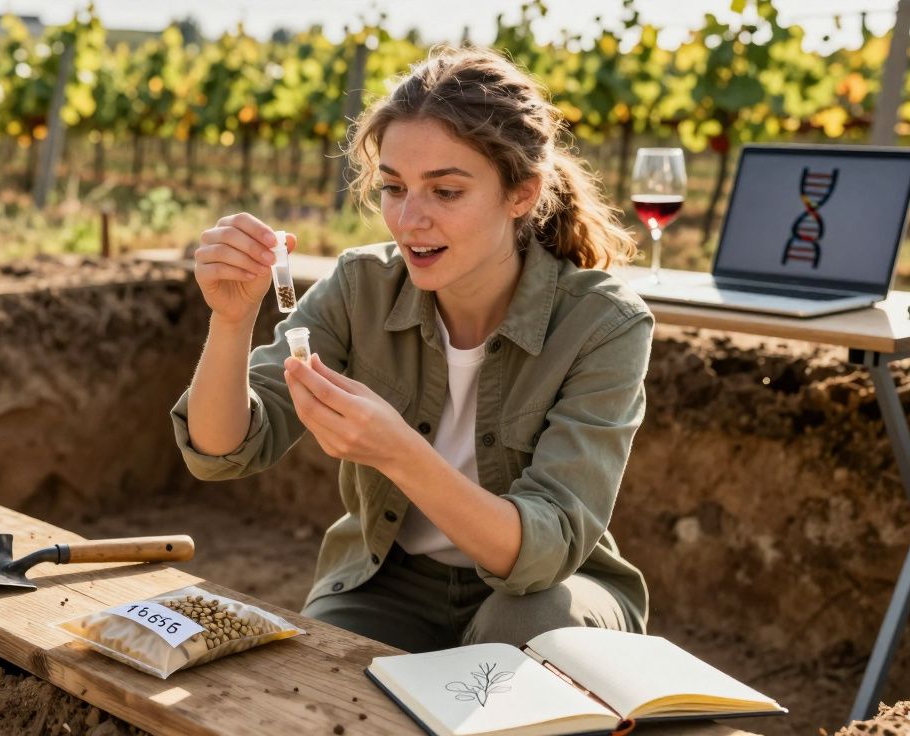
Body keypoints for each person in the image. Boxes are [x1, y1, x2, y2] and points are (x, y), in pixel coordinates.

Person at [170, 46, 653, 653]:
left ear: (522, 194)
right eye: (394, 188)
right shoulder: (359, 287)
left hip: (552, 589)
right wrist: (231, 319)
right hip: (386, 580)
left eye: (446, 192)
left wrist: (401, 454)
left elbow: (542, 553)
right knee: (327, 663)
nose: (410, 220)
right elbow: (221, 450)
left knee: (520, 636)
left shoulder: (603, 324)